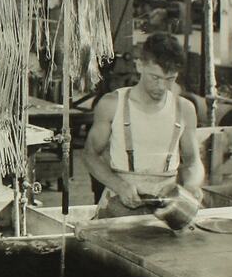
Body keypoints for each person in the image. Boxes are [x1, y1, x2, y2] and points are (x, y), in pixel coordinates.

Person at [84, 32, 204, 221]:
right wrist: (119, 185)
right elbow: (90, 155)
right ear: (140, 65)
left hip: (167, 212)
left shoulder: (185, 109)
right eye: (155, 78)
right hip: (119, 207)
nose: (162, 86)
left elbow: (193, 162)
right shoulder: (112, 104)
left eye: (170, 79)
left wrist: (191, 185)